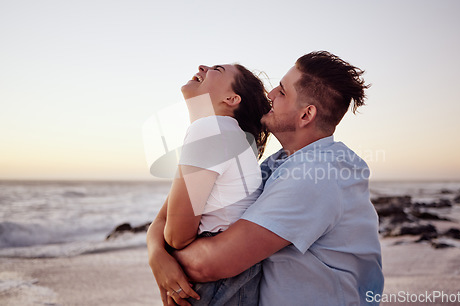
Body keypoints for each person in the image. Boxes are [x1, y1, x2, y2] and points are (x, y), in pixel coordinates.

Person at [148, 51, 384, 306]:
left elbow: (212, 263)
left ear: (306, 115)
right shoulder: (278, 164)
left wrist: (165, 260)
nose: (270, 94)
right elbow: (165, 215)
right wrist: (156, 253)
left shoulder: (316, 175)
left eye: (282, 92)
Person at [148, 63, 271, 305]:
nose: (202, 67)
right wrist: (156, 255)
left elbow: (175, 236)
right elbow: (162, 220)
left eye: (217, 69)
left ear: (231, 98)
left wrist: (162, 252)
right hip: (230, 279)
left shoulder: (212, 130)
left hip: (215, 282)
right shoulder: (223, 135)